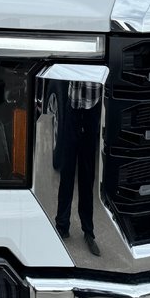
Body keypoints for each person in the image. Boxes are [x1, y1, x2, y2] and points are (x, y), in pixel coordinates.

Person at [55, 81, 103, 256]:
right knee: (67, 171)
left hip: (92, 107)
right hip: (73, 106)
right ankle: (62, 226)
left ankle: (88, 232)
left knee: (86, 173)